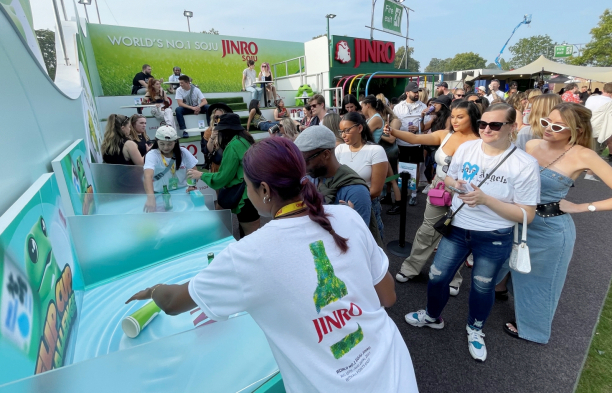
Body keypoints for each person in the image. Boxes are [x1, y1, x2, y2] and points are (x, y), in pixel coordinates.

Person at [126, 136, 419, 393]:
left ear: (264, 190)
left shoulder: (248, 255)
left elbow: (174, 302)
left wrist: (154, 291)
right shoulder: (347, 217)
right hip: (394, 369)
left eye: (247, 185)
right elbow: (388, 296)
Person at [404, 103, 541, 362]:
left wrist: (485, 199)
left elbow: (527, 214)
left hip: (494, 235)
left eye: (495, 125)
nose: (487, 129)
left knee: (482, 286)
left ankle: (475, 329)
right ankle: (432, 316)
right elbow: (448, 178)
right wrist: (456, 185)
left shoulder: (524, 163)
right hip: (457, 228)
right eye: (483, 124)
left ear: (512, 127)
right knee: (437, 276)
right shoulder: (467, 148)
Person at [498, 102, 612, 344]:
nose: (548, 129)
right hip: (517, 218)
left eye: (557, 126)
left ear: (577, 130)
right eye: (545, 122)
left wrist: (583, 206)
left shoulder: (584, 155)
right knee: (503, 262)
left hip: (549, 227)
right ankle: (500, 291)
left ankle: (531, 330)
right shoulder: (532, 144)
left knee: (541, 281)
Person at [386, 101, 481, 295]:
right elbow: (414, 138)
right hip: (440, 187)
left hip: (466, 192)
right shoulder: (446, 135)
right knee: (427, 229)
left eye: (460, 116)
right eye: (452, 116)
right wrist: (393, 132)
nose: (454, 120)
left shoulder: (482, 142)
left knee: (459, 236)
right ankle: (411, 267)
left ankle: (454, 277)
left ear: (472, 117)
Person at [295, 126, 381, 241]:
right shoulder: (312, 178)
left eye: (305, 161)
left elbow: (357, 240)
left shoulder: (356, 191)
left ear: (325, 154)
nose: (303, 167)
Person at [188, 114, 260, 237]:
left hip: (245, 198)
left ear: (224, 132)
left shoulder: (233, 145)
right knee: (251, 236)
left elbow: (222, 178)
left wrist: (200, 175)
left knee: (251, 237)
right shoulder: (244, 140)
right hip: (252, 193)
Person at [336, 113, 389, 240]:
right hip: (341, 205)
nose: (343, 135)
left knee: (370, 241)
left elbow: (376, 190)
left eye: (347, 131)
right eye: (341, 131)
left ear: (360, 128)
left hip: (367, 204)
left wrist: (354, 200)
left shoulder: (376, 151)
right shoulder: (340, 149)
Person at [142, 126, 198, 211]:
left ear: (175, 142)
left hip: (182, 192)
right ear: (156, 141)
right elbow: (147, 176)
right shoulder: (152, 154)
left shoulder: (183, 152)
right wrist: (150, 198)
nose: (166, 147)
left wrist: (192, 185)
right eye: (162, 144)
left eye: (170, 144)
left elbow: (194, 171)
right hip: (160, 194)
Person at [393, 82, 428, 206]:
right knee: (402, 167)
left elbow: (425, 127)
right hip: (401, 143)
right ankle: (403, 192)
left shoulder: (423, 106)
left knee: (416, 168)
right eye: (414, 92)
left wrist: (417, 129)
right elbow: (395, 124)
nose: (417, 94)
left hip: (416, 143)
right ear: (407, 93)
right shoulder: (398, 107)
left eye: (417, 91)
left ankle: (413, 194)